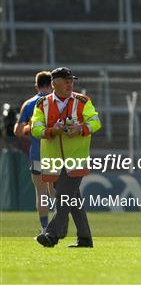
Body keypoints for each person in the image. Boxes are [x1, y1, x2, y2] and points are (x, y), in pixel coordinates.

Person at [32, 67, 101, 248]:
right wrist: (51, 131)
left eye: (72, 81)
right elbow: (35, 128)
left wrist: (81, 129)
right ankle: (85, 239)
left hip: (76, 158)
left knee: (63, 197)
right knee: (73, 200)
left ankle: (51, 234)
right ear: (55, 84)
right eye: (66, 81)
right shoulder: (41, 104)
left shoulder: (83, 101)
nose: (71, 84)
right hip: (53, 160)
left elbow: (95, 122)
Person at [13, 71, 53, 233]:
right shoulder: (57, 103)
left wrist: (30, 128)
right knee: (55, 190)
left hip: (37, 153)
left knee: (41, 192)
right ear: (51, 85)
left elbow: (18, 131)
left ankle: (45, 228)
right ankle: (59, 224)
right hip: (55, 153)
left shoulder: (29, 104)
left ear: (37, 86)